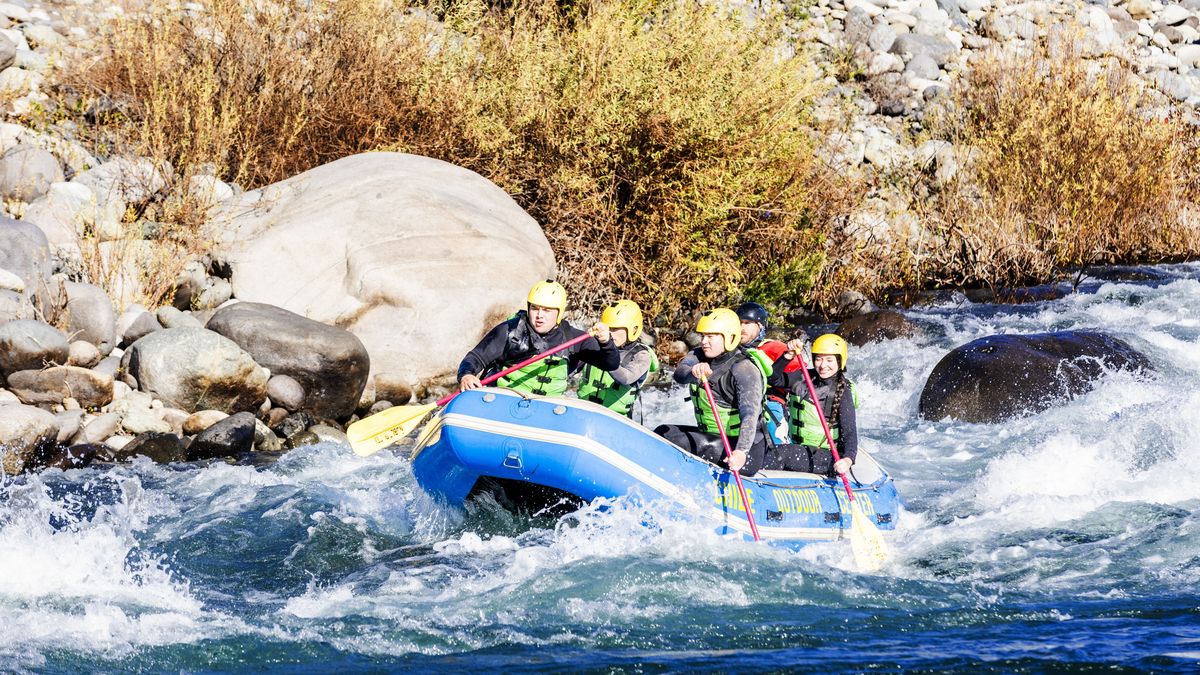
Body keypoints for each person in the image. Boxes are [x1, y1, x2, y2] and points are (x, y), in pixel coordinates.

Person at [654, 308, 770, 476]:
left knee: (682, 441)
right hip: (714, 437)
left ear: (730, 338)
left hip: (746, 449)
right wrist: (692, 371)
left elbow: (750, 415)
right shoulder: (698, 354)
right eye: (703, 336)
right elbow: (680, 375)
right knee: (664, 431)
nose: (704, 341)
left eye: (711, 336)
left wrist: (741, 451)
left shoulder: (744, 368)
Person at [458, 280, 619, 396]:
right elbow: (475, 357)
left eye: (547, 310)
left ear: (559, 313)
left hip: (546, 408)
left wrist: (606, 343)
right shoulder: (510, 331)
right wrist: (466, 375)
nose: (539, 316)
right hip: (505, 399)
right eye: (535, 308)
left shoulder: (572, 338)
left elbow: (610, 363)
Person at [764, 333, 858, 476]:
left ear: (840, 361)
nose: (823, 365)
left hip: (827, 456)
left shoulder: (843, 390)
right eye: (819, 359)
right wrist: (787, 356)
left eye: (829, 360)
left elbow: (850, 432)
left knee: (782, 454)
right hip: (796, 446)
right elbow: (773, 379)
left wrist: (847, 460)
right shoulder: (804, 378)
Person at [577, 299, 659, 417]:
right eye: (607, 328)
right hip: (583, 412)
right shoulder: (594, 346)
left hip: (615, 419)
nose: (609, 333)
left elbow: (626, 378)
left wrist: (607, 358)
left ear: (633, 329)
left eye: (614, 329)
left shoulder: (641, 355)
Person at [734, 301, 802, 444]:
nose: (741, 328)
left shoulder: (774, 347)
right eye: (739, 323)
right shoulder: (731, 351)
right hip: (741, 405)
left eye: (747, 323)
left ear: (760, 326)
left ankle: (781, 448)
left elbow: (799, 377)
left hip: (770, 405)